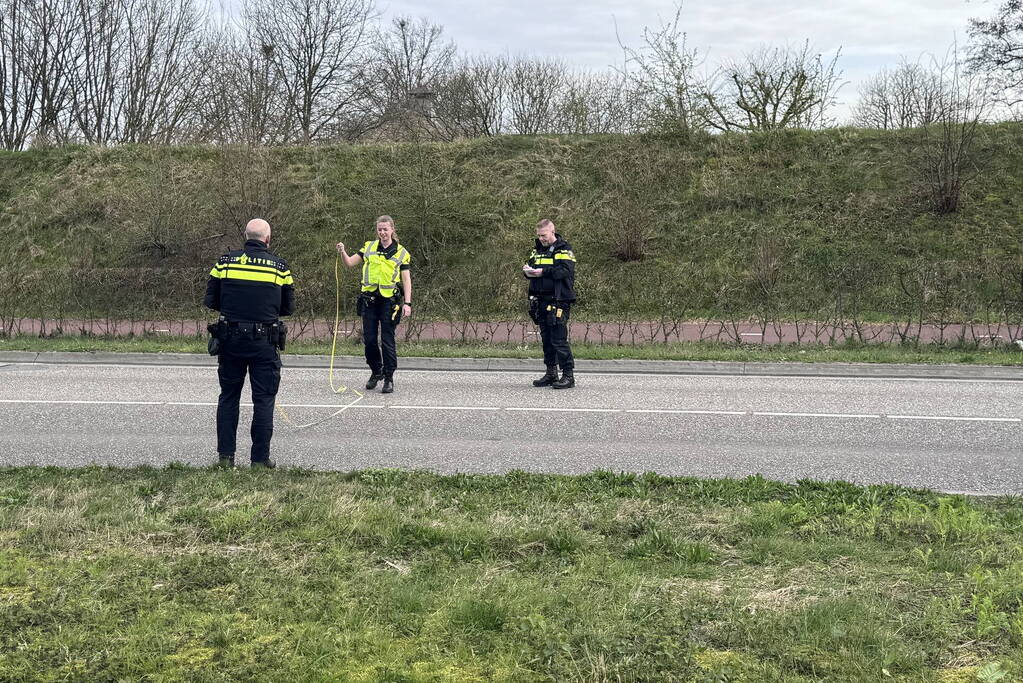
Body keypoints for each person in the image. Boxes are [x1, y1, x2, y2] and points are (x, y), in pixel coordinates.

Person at [204, 218, 294, 468]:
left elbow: (211, 300)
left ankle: (225, 458)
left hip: (231, 340)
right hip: (264, 342)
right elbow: (287, 307)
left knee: (229, 397)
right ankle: (259, 460)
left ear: (245, 236)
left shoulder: (225, 262)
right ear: (267, 239)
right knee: (263, 400)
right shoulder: (279, 267)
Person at [336, 215, 412, 394]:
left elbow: (406, 279)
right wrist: (343, 251)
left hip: (389, 302)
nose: (383, 233)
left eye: (386, 229)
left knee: (387, 340)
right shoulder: (369, 247)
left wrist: (407, 303)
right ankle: (376, 371)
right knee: (369, 340)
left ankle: (389, 376)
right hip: (369, 300)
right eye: (380, 229)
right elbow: (350, 263)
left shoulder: (401, 252)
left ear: (392, 229)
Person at [523, 218, 576, 389]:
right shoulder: (537, 250)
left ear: (552, 232)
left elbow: (566, 270)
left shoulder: (564, 249)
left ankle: (568, 375)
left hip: (558, 301)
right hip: (541, 300)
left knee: (558, 339)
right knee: (546, 339)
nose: (541, 239)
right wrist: (528, 271)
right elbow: (530, 265)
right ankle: (551, 373)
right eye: (539, 236)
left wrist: (543, 272)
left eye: (544, 235)